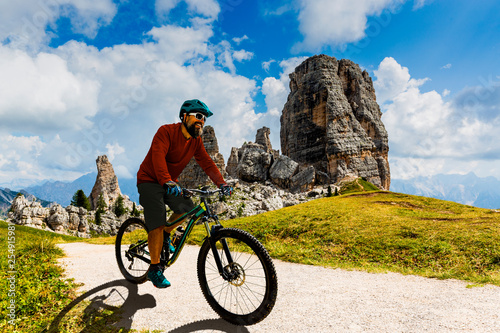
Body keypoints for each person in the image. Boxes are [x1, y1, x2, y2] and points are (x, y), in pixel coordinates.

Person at [136, 99, 232, 288]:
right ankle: (154, 269)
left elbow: (207, 162)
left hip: (169, 181)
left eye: (204, 118)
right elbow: (158, 156)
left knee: (187, 207)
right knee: (157, 219)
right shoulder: (166, 131)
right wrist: (166, 180)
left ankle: (165, 234)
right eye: (198, 116)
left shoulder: (195, 141)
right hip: (150, 179)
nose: (201, 121)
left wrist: (222, 183)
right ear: (185, 116)